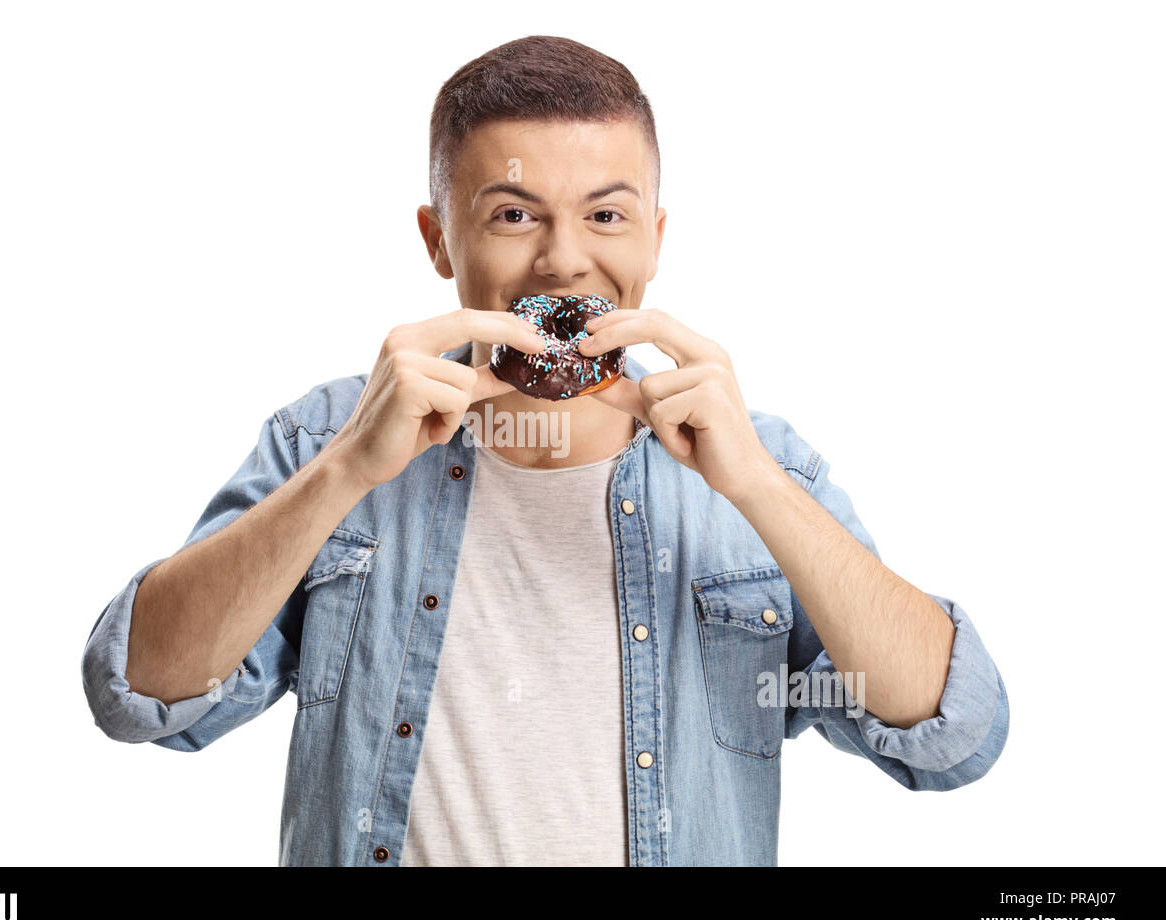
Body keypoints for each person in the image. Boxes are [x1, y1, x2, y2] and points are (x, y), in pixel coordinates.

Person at [82, 35, 1009, 867]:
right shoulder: (325, 442)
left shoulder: (766, 470)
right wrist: (345, 473)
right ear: (439, 240)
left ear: (655, 236)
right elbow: (141, 692)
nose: (564, 261)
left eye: (606, 215)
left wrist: (757, 488)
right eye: (515, 215)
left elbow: (954, 730)